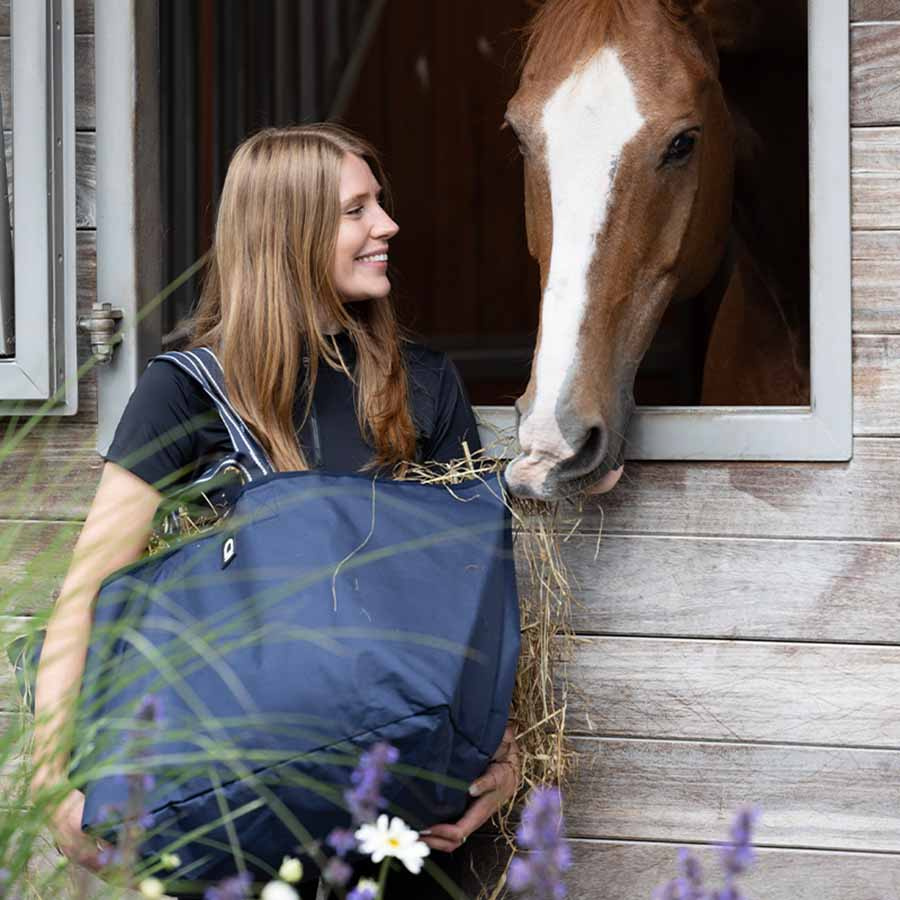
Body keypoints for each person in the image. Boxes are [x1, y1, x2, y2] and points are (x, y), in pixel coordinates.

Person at [30, 123, 522, 899]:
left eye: (379, 204)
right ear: (290, 234)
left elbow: (478, 595)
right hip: (240, 824)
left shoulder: (422, 384)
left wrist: (505, 750)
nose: (387, 225)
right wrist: (52, 776)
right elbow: (89, 590)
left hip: (397, 832)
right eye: (357, 210)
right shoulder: (188, 390)